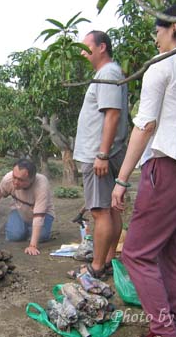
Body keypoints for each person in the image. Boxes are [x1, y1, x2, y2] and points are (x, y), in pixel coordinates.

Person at [111, 4, 176, 337]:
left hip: (166, 169)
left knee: (136, 254)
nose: (155, 38)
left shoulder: (163, 66)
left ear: (172, 29)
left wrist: (121, 179)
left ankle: (163, 330)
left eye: (157, 31)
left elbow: (144, 127)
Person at [69, 30, 128, 279]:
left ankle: (95, 267)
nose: (82, 53)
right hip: (106, 153)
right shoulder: (108, 74)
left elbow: (112, 113)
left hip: (101, 156)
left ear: (101, 47)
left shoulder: (108, 74)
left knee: (100, 211)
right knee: (111, 210)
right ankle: (105, 262)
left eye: (86, 47)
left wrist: (102, 154)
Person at [0, 159, 55, 256]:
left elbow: (38, 217)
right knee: (14, 236)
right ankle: (16, 227)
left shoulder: (41, 185)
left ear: (31, 179)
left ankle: (24, 229)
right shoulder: (8, 179)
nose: (15, 182)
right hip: (19, 210)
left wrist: (33, 245)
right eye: (14, 177)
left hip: (43, 214)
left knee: (41, 236)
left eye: (21, 180)